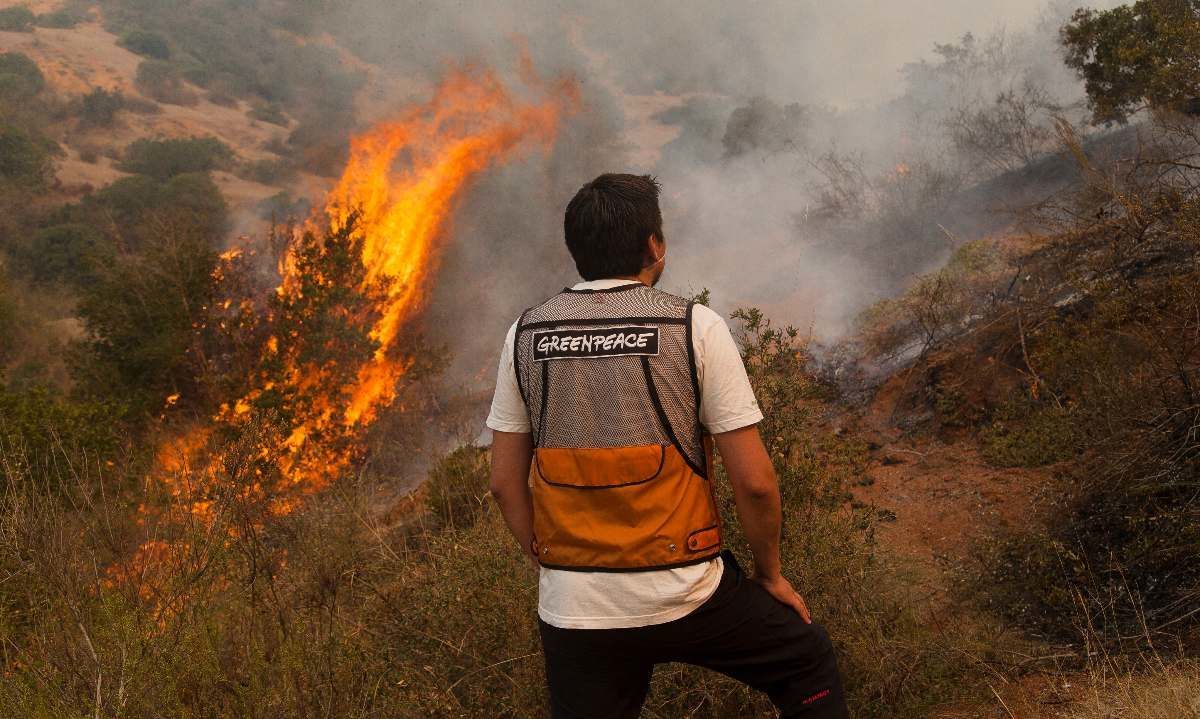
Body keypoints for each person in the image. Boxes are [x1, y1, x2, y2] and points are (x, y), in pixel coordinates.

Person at [486, 173, 849, 718]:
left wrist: (552, 564)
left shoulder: (524, 333)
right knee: (806, 659)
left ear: (575, 250)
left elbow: (501, 483)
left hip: (575, 608)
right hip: (687, 589)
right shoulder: (693, 327)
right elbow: (754, 482)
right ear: (655, 246)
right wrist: (768, 574)